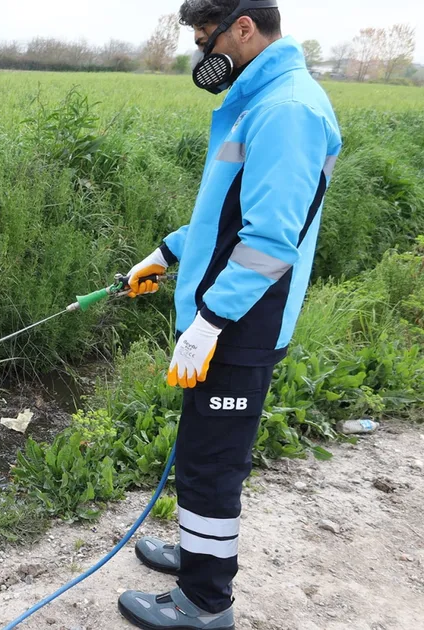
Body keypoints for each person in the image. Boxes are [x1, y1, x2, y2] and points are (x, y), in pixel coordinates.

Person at [116, 1, 342, 628]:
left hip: (244, 321)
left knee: (212, 463)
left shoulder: (288, 110)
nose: (201, 54)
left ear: (243, 27)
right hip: (227, 314)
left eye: (203, 39)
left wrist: (210, 322)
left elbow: (270, 240)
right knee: (201, 450)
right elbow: (226, 216)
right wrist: (165, 254)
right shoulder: (262, 100)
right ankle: (197, 553)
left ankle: (205, 600)